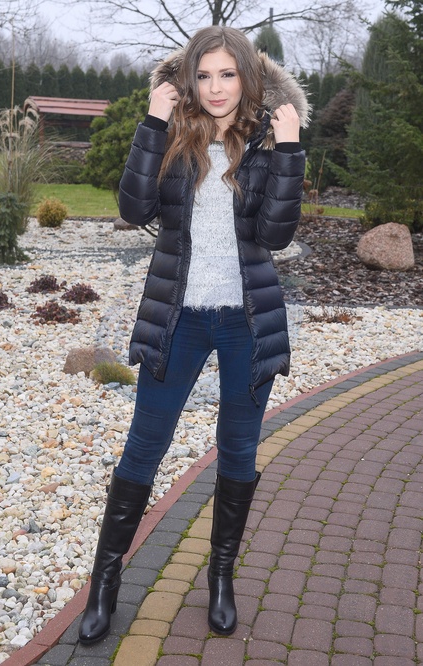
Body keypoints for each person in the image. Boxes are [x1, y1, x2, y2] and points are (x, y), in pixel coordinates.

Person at [78, 25, 309, 645]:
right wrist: (152, 124)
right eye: (203, 75)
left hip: (246, 322)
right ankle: (104, 585)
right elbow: (133, 210)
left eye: (227, 74)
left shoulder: (266, 144)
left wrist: (290, 151)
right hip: (176, 319)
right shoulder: (173, 136)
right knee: (143, 448)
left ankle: (221, 579)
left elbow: (276, 234)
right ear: (188, 81)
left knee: (238, 453)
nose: (215, 87)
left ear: (247, 78)